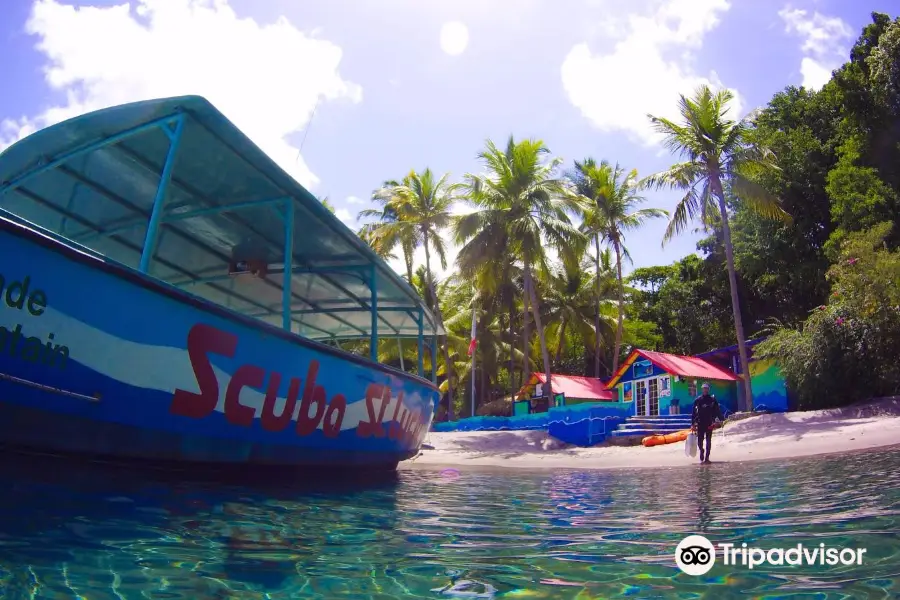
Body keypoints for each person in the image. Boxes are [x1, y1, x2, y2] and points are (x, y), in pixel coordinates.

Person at [691, 382, 722, 464]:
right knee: (699, 442)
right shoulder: (698, 400)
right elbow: (694, 413)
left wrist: (720, 420)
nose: (705, 390)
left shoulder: (712, 400)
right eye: (704, 388)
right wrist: (692, 424)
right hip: (700, 423)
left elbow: (717, 411)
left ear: (708, 389)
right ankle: (701, 450)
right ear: (702, 389)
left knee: (708, 441)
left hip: (709, 423)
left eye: (706, 388)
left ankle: (707, 458)